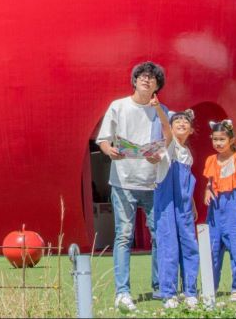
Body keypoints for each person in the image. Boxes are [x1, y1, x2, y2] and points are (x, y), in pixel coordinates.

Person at [96, 62, 169, 313]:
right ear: (134, 80)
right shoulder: (119, 106)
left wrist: (158, 155)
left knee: (159, 235)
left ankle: (161, 287)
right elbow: (104, 139)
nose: (147, 81)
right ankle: (122, 292)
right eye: (142, 77)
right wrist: (110, 151)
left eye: (152, 79)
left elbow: (169, 143)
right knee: (124, 235)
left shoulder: (162, 110)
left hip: (153, 181)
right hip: (123, 180)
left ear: (158, 86)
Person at [153, 108, 200, 309]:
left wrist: (193, 204)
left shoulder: (188, 154)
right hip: (166, 205)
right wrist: (157, 108)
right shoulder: (169, 147)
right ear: (171, 128)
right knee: (168, 246)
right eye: (177, 121)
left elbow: (188, 182)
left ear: (191, 130)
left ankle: (190, 290)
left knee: (190, 245)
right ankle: (169, 292)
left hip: (184, 206)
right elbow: (165, 127)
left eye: (185, 122)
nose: (182, 123)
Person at [203, 119, 236, 302]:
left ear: (231, 140)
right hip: (215, 209)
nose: (218, 143)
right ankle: (210, 287)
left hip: (233, 207)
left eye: (222, 139)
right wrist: (207, 191)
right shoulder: (211, 160)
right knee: (213, 249)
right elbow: (209, 184)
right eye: (215, 139)